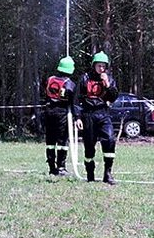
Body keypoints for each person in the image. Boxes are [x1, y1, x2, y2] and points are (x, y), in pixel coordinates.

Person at [75, 51, 119, 185]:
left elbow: (113, 97)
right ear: (93, 65)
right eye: (99, 65)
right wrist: (78, 117)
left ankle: (108, 174)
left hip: (103, 114)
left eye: (103, 66)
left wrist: (107, 84)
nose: (101, 68)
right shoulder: (84, 78)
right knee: (89, 147)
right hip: (88, 115)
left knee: (110, 140)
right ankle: (90, 174)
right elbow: (77, 99)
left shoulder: (109, 79)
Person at [43, 56, 77, 176]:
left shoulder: (50, 79)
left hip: (49, 112)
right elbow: (73, 102)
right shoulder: (70, 84)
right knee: (62, 141)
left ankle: (51, 167)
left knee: (50, 141)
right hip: (62, 113)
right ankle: (61, 167)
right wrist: (76, 116)